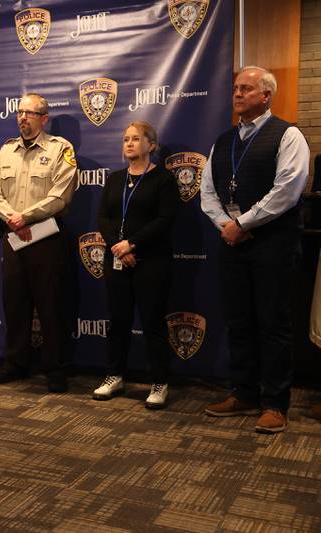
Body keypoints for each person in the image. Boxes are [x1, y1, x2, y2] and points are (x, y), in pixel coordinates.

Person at [201, 66, 310, 434]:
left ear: (266, 95)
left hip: (273, 245)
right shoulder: (222, 140)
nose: (237, 94)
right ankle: (244, 392)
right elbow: (208, 193)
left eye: (246, 89)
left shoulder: (288, 134)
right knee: (239, 322)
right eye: (234, 88)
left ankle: (275, 403)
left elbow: (288, 189)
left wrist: (243, 223)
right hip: (232, 243)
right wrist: (226, 226)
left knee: (273, 325)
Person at [0, 93, 78, 393]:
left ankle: (56, 369)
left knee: (51, 305)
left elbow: (61, 195)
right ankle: (15, 363)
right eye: (20, 112)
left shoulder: (60, 149)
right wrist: (12, 217)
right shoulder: (7, 150)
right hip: (13, 236)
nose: (23, 117)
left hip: (46, 237)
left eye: (30, 113)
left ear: (44, 118)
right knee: (15, 303)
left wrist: (25, 216)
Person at [93, 122, 179, 408]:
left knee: (153, 323)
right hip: (117, 260)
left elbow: (165, 220)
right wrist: (118, 248)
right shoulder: (115, 179)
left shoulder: (163, 179)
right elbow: (103, 218)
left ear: (151, 145)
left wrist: (132, 244)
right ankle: (114, 375)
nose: (129, 144)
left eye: (136, 139)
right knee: (118, 321)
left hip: (151, 261)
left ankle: (159, 382)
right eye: (126, 139)